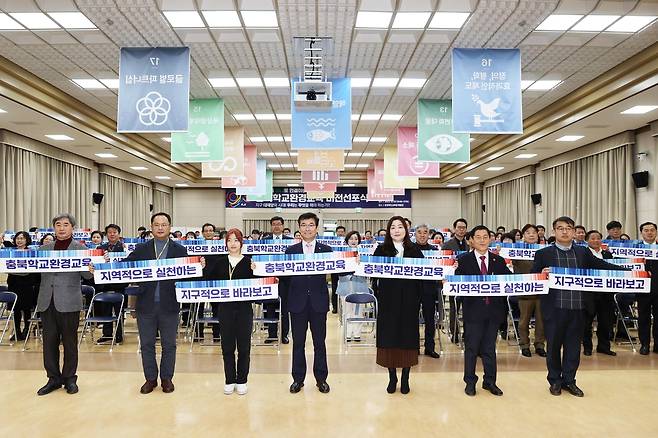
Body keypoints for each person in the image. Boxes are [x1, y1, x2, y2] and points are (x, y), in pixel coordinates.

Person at [531, 216, 625, 397]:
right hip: (554, 309)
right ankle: (555, 381)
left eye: (568, 228)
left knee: (573, 347)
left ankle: (569, 381)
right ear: (554, 232)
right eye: (560, 228)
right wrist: (541, 274)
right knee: (553, 347)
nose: (565, 231)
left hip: (579, 309)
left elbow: (602, 265)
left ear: (574, 232)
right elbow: (532, 276)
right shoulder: (543, 254)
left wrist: (632, 273)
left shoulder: (583, 253)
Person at [108, 213, 197, 394]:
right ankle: (150, 379)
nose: (160, 228)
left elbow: (190, 274)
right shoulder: (142, 249)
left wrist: (199, 264)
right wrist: (103, 266)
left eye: (164, 224)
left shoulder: (179, 250)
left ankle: (166, 378)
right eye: (156, 224)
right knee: (147, 344)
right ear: (151, 227)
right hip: (145, 305)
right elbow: (125, 267)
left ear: (169, 227)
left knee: (169, 344)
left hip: (170, 304)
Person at [35, 214, 93, 396]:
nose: (61, 228)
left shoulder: (80, 249)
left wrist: (94, 266)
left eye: (65, 225)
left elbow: (88, 277)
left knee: (70, 342)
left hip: (69, 302)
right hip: (47, 301)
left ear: (72, 228)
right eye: (58, 225)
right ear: (53, 228)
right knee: (49, 343)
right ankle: (53, 379)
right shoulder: (43, 249)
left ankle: (69, 378)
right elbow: (30, 271)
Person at [456, 225, 511, 397]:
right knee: (471, 349)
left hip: (493, 312)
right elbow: (455, 282)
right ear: (471, 240)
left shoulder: (499, 261)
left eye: (485, 237)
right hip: (473, 312)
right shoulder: (464, 260)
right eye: (477, 237)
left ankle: (490, 382)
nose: (481, 240)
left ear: (490, 239)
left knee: (489, 349)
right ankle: (470, 382)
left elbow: (509, 281)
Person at [372, 216, 424, 395]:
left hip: (409, 301)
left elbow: (424, 274)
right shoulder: (381, 249)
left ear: (406, 230)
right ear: (388, 230)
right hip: (388, 301)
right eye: (392, 227)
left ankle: (406, 378)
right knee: (389, 337)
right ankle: (392, 377)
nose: (396, 230)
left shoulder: (414, 250)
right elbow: (372, 273)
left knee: (408, 337)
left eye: (400, 227)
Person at [204, 229, 254, 395]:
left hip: (244, 310)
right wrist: (201, 268)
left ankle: (242, 380)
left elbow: (261, 286)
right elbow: (207, 282)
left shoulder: (249, 263)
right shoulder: (219, 262)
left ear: (241, 243)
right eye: (230, 240)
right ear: (226, 243)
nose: (233, 243)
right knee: (227, 347)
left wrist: (260, 271)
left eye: (236, 240)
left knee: (244, 347)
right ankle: (229, 379)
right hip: (225, 309)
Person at [287, 212, 332, 394]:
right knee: (298, 343)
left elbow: (338, 271)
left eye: (311, 225)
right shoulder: (290, 252)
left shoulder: (326, 250)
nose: (307, 228)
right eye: (304, 225)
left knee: (319, 343)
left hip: (318, 303)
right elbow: (284, 277)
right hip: (297, 303)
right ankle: (298, 379)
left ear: (316, 228)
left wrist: (354, 262)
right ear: (299, 228)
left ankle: (321, 379)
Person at [512, 224, 546, 358]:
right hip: (525, 291)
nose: (531, 235)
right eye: (528, 232)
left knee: (541, 321)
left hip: (542, 290)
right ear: (523, 236)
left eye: (534, 232)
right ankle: (525, 345)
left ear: (538, 235)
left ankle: (540, 345)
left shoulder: (544, 251)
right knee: (523, 321)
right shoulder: (517, 251)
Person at [582, 230, 616, 356]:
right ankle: (587, 347)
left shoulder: (608, 255)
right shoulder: (583, 254)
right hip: (589, 293)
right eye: (592, 238)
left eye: (598, 238)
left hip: (606, 293)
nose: (596, 241)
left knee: (606, 321)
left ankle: (604, 346)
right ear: (587, 240)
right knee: (587, 322)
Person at [95, 224, 127, 344]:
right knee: (106, 310)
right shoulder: (101, 248)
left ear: (119, 234)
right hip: (105, 282)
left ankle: (119, 335)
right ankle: (107, 334)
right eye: (109, 232)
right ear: (106, 234)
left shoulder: (125, 248)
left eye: (115, 232)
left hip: (120, 283)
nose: (112, 234)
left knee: (119, 310)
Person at [262, 216, 292, 343]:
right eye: (274, 224)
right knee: (270, 307)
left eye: (279, 224)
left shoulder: (290, 242)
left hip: (285, 280)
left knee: (284, 308)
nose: (276, 226)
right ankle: (272, 334)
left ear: (283, 225)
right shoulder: (265, 241)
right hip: (269, 279)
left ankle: (284, 335)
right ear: (271, 226)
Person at [413, 224, 441, 358]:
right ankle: (413, 347)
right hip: (412, 289)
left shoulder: (435, 250)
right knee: (412, 319)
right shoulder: (409, 249)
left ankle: (430, 348)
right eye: (419, 232)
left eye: (425, 232)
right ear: (415, 234)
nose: (422, 235)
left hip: (429, 289)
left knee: (430, 320)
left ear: (429, 235)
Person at [336, 231, 369, 341]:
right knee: (347, 310)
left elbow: (367, 270)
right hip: (345, 284)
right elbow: (338, 270)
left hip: (359, 284)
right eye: (351, 239)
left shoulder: (364, 254)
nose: (353, 241)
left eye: (356, 238)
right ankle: (347, 333)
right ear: (347, 241)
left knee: (358, 310)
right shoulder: (341, 254)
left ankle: (357, 334)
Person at [6, 231, 39, 341]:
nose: (19, 240)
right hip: (14, 282)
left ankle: (26, 330)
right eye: (17, 238)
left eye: (22, 238)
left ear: (27, 240)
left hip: (26, 283)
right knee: (16, 309)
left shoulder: (31, 252)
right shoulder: (10, 252)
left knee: (26, 308)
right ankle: (17, 331)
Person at [443, 218, 469, 344]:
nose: (461, 230)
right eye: (459, 227)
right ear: (454, 229)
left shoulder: (470, 244)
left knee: (468, 308)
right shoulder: (447, 245)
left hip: (467, 280)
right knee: (454, 308)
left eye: (463, 227)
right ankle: (454, 333)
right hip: (453, 280)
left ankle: (467, 333)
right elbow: (444, 264)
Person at [196, 223, 221, 342]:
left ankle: (217, 334)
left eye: (210, 230)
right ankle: (198, 334)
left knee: (217, 308)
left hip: (216, 281)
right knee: (199, 308)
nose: (208, 232)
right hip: (200, 280)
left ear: (214, 232)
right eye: (206, 230)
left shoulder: (220, 246)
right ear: (202, 233)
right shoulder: (197, 246)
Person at [637, 222, 658, 355]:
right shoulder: (634, 249)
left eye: (652, 230)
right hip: (643, 288)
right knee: (643, 317)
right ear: (642, 233)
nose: (649, 232)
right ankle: (644, 344)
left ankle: (657, 344)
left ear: (656, 232)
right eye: (646, 230)